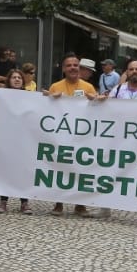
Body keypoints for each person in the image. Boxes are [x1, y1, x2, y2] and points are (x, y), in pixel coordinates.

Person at [46, 52, 104, 215]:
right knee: (60, 169)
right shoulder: (56, 86)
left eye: (76, 65)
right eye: (69, 65)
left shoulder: (88, 87)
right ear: (64, 69)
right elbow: (46, 110)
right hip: (61, 136)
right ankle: (58, 203)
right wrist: (50, 97)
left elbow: (97, 111)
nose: (73, 68)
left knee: (82, 169)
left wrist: (97, 100)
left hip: (82, 136)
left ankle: (80, 205)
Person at [0, 68, 32, 214]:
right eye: (14, 77)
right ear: (9, 80)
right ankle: (3, 201)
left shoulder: (30, 96)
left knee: (24, 170)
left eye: (19, 78)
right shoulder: (2, 96)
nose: (17, 79)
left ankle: (24, 202)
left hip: (24, 139)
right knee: (6, 169)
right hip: (7, 138)